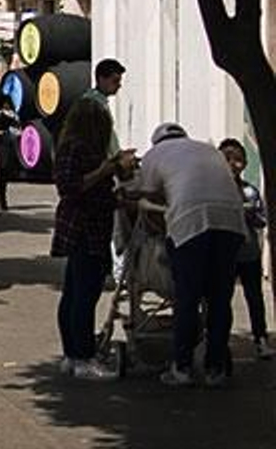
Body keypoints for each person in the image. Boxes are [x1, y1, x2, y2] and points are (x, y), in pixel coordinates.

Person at [137, 122, 247, 386]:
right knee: (220, 298)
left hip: (190, 223)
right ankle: (215, 368)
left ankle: (182, 367)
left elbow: (147, 196)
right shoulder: (207, 149)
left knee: (187, 296)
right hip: (231, 221)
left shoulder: (154, 155)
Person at [50, 97, 135, 381]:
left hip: (87, 225)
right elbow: (72, 187)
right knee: (84, 295)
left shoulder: (75, 147)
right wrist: (108, 169)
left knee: (75, 292)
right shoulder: (77, 149)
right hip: (85, 228)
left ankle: (71, 354)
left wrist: (115, 197)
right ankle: (82, 357)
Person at [219, 139, 270, 360]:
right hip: (225, 254)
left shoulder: (250, 191)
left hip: (249, 253)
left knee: (254, 298)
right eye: (228, 159)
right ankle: (222, 342)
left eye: (238, 159)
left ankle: (260, 339)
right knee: (222, 299)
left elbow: (261, 220)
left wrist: (251, 215)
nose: (234, 164)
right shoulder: (214, 192)